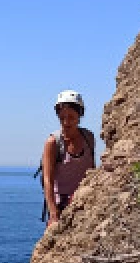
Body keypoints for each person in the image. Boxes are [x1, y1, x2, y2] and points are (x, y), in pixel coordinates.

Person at [40, 89, 97, 225]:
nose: (66, 122)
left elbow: (92, 170)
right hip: (62, 203)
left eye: (71, 117)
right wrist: (53, 213)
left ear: (80, 115)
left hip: (85, 198)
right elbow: (48, 179)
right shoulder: (53, 142)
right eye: (62, 117)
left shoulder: (88, 138)